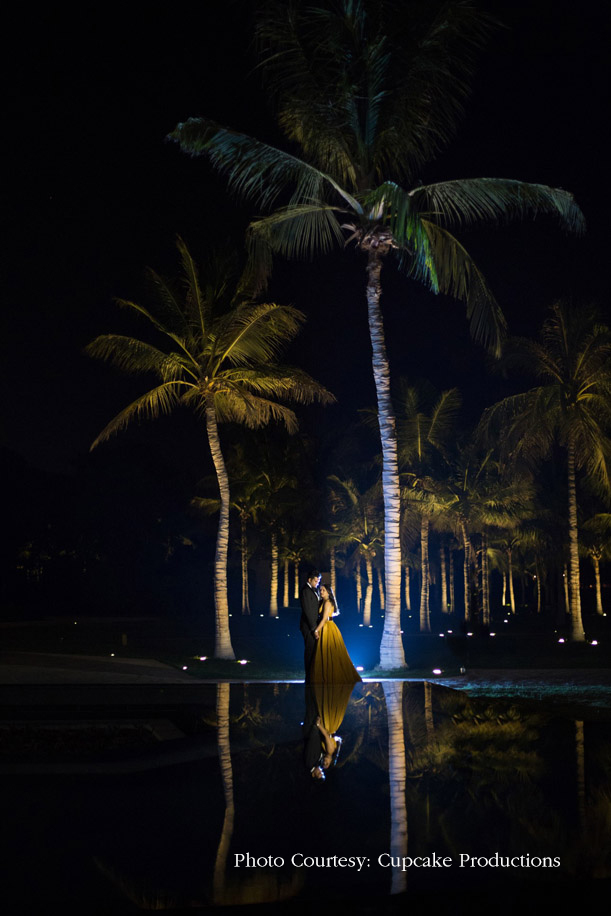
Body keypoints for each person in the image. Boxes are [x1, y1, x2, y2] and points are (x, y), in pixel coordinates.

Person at [310, 584, 362, 684]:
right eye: (320, 590)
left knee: (329, 651)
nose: (321, 592)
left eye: (323, 590)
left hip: (328, 627)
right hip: (326, 627)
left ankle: (332, 675)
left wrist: (316, 630)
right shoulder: (323, 602)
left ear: (328, 592)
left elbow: (324, 618)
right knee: (326, 651)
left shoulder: (328, 602)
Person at [299, 568, 321, 682]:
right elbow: (308, 611)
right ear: (309, 580)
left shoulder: (313, 590)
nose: (317, 583)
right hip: (308, 626)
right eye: (316, 581)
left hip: (313, 625)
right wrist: (314, 629)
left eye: (318, 581)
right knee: (309, 650)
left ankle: (312, 674)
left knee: (313, 650)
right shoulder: (306, 591)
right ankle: (309, 676)